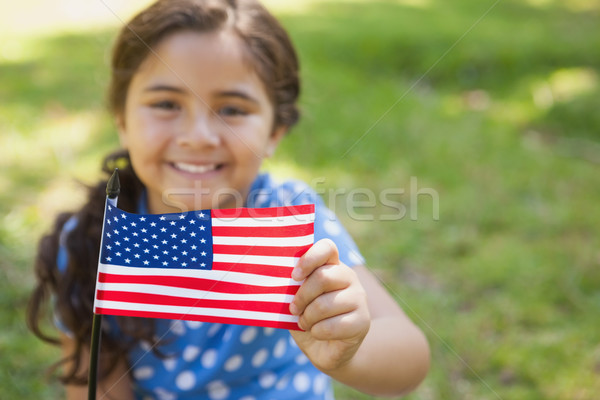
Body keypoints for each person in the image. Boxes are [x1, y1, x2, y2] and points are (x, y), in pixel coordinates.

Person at [27, 0, 430, 398]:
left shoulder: (291, 221)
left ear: (275, 130)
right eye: (166, 104)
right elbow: (98, 389)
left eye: (232, 109)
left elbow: (409, 358)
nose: (198, 136)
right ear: (122, 120)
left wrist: (348, 354)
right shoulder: (95, 240)